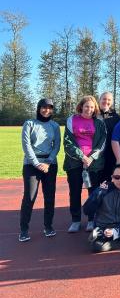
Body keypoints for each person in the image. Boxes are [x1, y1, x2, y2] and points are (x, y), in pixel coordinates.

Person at [19, 98, 61, 242]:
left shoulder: (55, 126)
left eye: (50, 108)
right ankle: (24, 229)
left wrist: (48, 162)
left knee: (49, 197)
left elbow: (56, 146)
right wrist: (37, 163)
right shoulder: (29, 123)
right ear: (38, 108)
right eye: (44, 107)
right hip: (31, 165)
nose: (46, 110)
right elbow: (26, 146)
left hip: (50, 165)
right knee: (29, 197)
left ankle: (48, 226)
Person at [64, 96, 107, 233]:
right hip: (75, 163)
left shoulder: (99, 123)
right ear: (81, 106)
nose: (89, 109)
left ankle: (91, 220)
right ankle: (75, 221)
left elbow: (102, 143)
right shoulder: (71, 120)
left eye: (92, 107)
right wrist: (81, 156)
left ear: (95, 109)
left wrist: (91, 158)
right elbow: (68, 143)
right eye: (86, 106)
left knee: (93, 193)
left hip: (93, 164)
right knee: (75, 192)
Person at [97, 92, 120, 182]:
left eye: (109, 100)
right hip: (95, 155)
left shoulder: (116, 117)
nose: (106, 101)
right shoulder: (93, 114)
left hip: (110, 155)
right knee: (94, 185)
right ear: (99, 100)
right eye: (104, 99)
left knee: (107, 182)